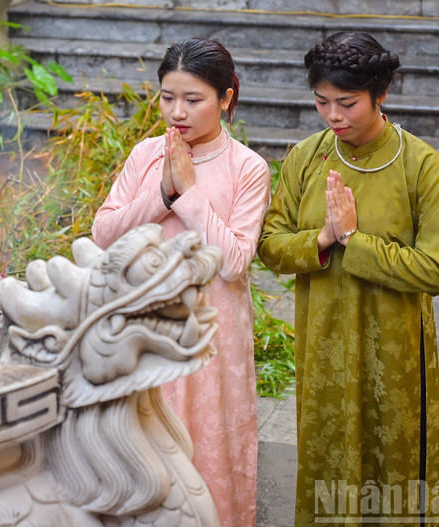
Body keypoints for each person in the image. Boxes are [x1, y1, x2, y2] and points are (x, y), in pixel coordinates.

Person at [257, 31, 439, 525]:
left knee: (391, 465)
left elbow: (438, 269)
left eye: (347, 103)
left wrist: (355, 240)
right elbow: (269, 244)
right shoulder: (307, 157)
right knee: (327, 457)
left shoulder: (422, 166)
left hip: (394, 351)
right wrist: (321, 240)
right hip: (322, 345)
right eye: (322, 102)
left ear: (381, 94)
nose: (333, 116)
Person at [92, 37, 271, 527]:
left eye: (193, 99)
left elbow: (233, 260)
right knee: (142, 447)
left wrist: (189, 195)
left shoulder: (247, 168)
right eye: (168, 97)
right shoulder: (146, 155)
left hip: (211, 332)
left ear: (225, 99)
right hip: (142, 326)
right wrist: (161, 194)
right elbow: (103, 234)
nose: (177, 112)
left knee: (208, 443)